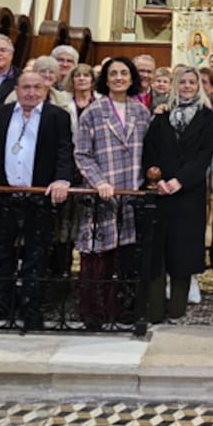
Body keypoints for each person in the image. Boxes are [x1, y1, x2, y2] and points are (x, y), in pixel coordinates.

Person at [0, 70, 74, 329]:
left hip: (38, 198)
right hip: (1, 197)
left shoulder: (57, 117)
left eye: (37, 87)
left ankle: (31, 312)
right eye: (26, 87)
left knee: (36, 257)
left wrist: (62, 180)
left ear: (45, 91)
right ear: (16, 90)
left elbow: (65, 151)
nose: (31, 92)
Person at [74, 57, 151, 329]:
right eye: (113, 74)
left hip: (130, 194)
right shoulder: (93, 112)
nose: (119, 78)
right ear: (105, 80)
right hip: (102, 195)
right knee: (99, 258)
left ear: (132, 78)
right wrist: (98, 182)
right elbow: (82, 154)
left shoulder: (141, 112)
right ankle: (94, 312)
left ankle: (121, 311)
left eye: (124, 73)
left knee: (126, 259)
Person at [142, 67, 213, 323]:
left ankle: (176, 308)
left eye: (191, 82)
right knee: (157, 253)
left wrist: (179, 181)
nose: (186, 86)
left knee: (182, 252)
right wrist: (160, 180)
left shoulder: (207, 117)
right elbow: (149, 149)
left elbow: (203, 155)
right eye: (182, 82)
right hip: (160, 192)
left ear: (199, 86)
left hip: (188, 193)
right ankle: (154, 309)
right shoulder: (162, 115)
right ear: (174, 85)